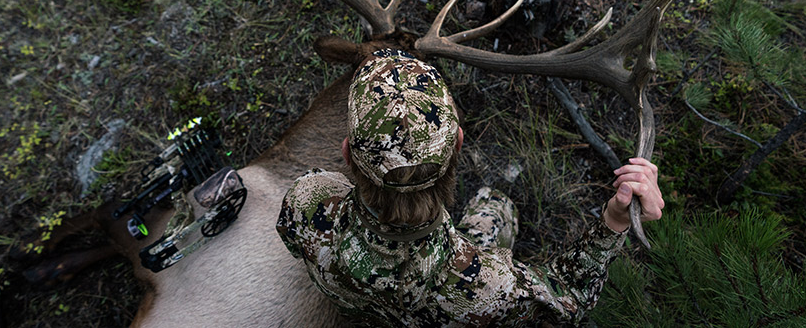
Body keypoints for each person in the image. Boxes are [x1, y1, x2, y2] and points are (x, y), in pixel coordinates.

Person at [277, 48, 664, 326]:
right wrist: (615, 218)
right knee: (493, 204)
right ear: (459, 143)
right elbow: (568, 298)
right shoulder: (487, 286)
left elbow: (293, 241)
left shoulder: (307, 200)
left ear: (346, 153)